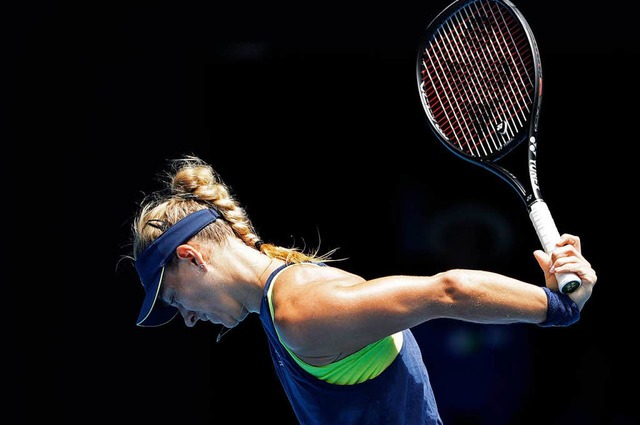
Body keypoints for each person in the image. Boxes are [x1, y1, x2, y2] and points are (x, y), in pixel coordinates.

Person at [124, 154, 597, 425]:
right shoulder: (285, 296)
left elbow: (446, 290)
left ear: (191, 257)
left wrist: (558, 307)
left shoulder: (300, 311)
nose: (186, 317)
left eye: (173, 298)